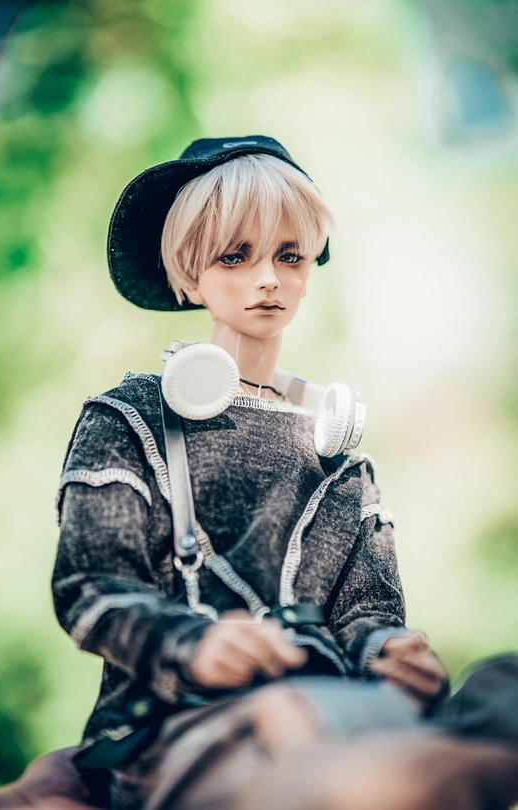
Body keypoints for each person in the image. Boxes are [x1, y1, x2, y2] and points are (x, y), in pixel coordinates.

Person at [51, 135, 450, 810]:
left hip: (333, 712)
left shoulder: (339, 453)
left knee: (496, 698)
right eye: (235, 256)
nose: (268, 278)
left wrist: (392, 654)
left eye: (289, 256)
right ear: (189, 273)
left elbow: (368, 614)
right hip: (173, 731)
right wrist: (191, 645)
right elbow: (89, 588)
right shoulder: (130, 419)